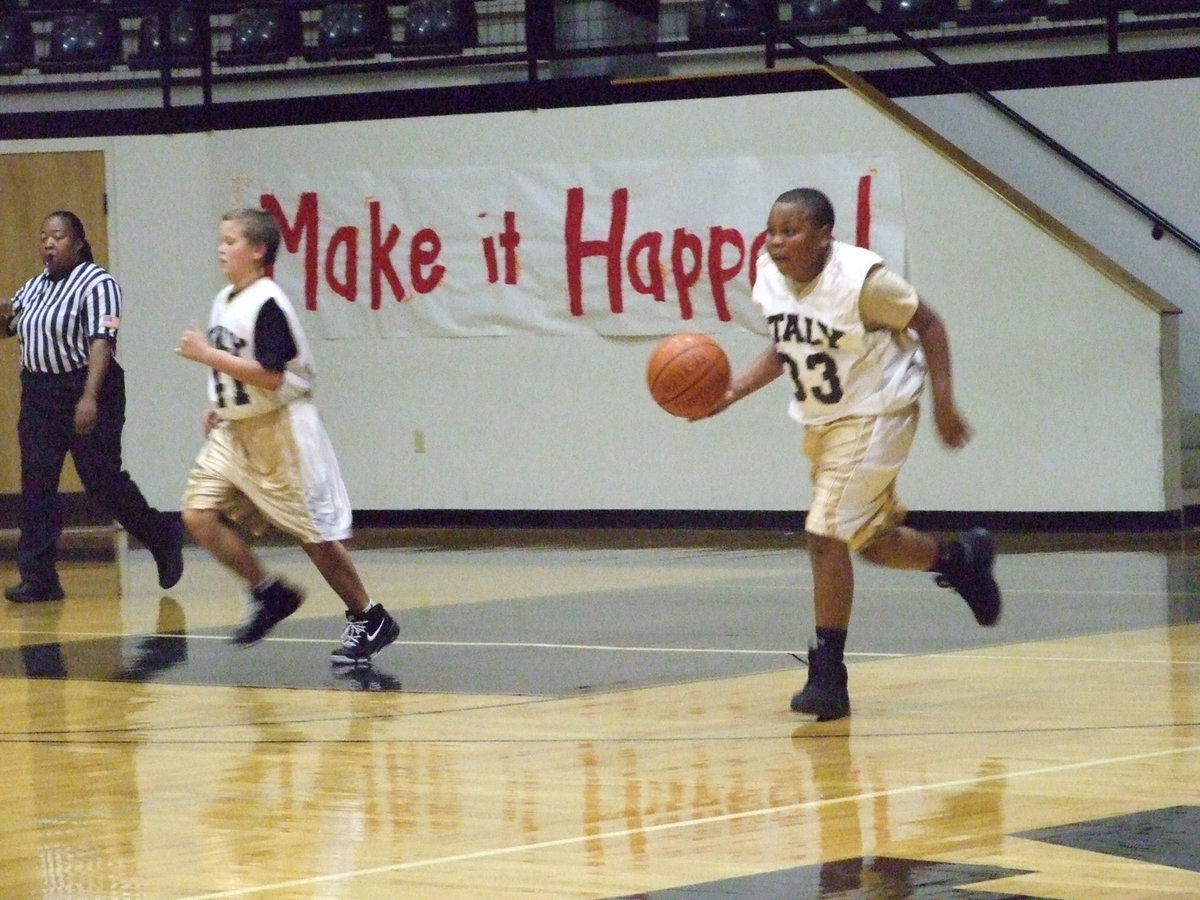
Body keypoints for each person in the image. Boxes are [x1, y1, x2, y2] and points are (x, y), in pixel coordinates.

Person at [701, 187, 1001, 721]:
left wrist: (944, 404)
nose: (775, 242)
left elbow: (929, 325)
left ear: (823, 236)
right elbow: (786, 343)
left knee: (824, 533)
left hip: (877, 412)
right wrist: (732, 391)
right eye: (771, 231)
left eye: (790, 231)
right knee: (870, 542)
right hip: (826, 423)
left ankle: (828, 676)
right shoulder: (769, 277)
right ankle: (961, 560)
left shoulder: (863, 282)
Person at [175, 207, 399, 665]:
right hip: (238, 430)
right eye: (220, 239)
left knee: (312, 534)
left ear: (258, 251)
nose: (221, 247)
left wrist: (205, 356)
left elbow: (272, 377)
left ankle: (368, 614)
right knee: (197, 515)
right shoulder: (225, 299)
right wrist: (221, 405)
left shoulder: (268, 302)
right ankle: (268, 592)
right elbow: (241, 370)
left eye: (231, 240)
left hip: (282, 431)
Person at [0, 210, 184, 603]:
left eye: (58, 236)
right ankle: (39, 578)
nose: (48, 243)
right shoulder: (34, 287)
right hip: (39, 393)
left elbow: (102, 340)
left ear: (79, 242)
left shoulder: (98, 283)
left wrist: (89, 396)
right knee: (37, 484)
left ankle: (162, 535)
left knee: (102, 483)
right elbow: (9, 326)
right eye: (43, 236)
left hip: (86, 386)